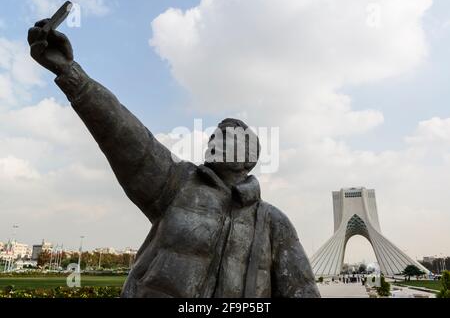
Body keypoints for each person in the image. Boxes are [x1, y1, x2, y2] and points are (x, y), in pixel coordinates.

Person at [27, 19, 320, 298]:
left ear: (250, 157)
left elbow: (301, 289)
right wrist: (70, 73)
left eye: (228, 136)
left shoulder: (272, 223)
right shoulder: (178, 184)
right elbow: (124, 135)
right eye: (214, 136)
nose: (215, 139)